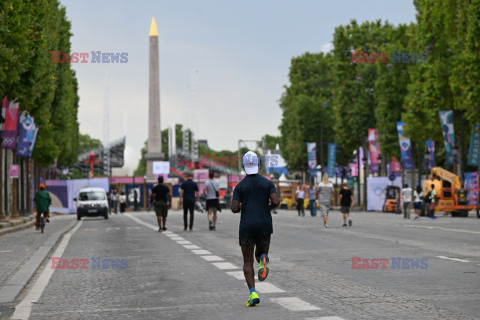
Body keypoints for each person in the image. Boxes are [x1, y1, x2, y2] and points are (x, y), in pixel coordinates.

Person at [231, 151, 279, 307]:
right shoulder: (268, 183)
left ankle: (253, 293)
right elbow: (276, 202)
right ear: (258, 165)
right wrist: (268, 208)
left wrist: (242, 207)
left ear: (244, 167)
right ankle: (264, 259)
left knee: (247, 261)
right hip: (265, 224)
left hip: (247, 226)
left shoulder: (240, 186)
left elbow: (233, 208)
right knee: (261, 253)